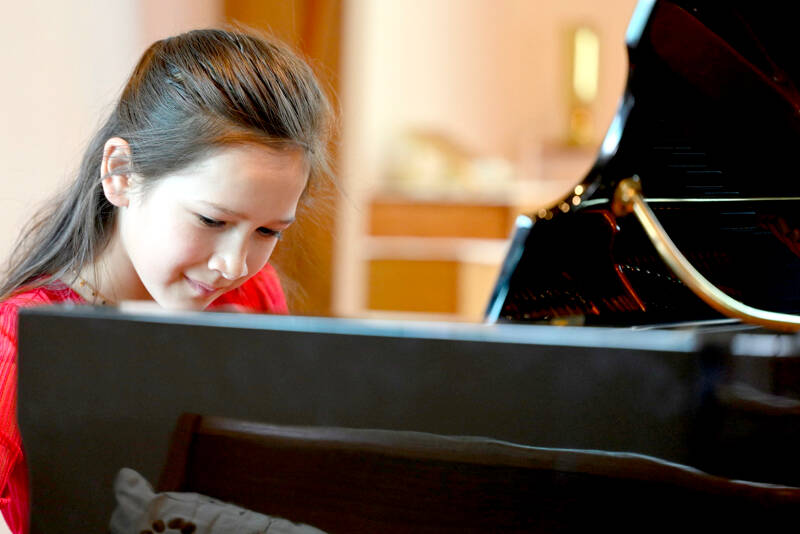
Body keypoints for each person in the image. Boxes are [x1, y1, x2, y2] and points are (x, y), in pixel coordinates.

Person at [0, 28, 332, 533]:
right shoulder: (17, 342)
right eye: (212, 221)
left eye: (268, 231)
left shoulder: (251, 297)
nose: (234, 265)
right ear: (122, 173)